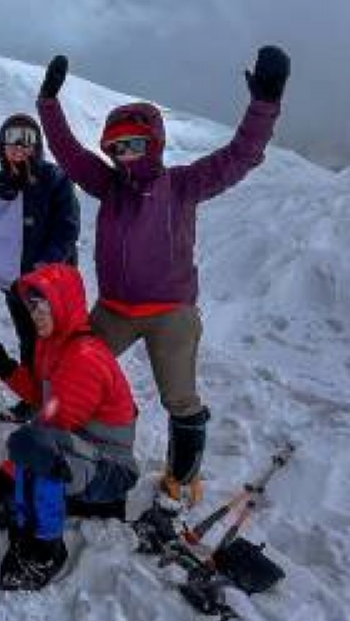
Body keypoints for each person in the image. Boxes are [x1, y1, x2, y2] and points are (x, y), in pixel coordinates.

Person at [35, 46, 290, 507]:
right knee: (68, 368)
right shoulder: (107, 185)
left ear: (153, 143)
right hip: (113, 311)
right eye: (116, 148)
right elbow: (68, 153)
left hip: (171, 314)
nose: (124, 154)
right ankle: (63, 444)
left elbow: (241, 155)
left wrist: (264, 104)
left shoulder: (184, 185)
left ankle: (182, 477)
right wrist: (48, 104)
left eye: (133, 144)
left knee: (180, 399)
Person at [0, 263, 138, 591]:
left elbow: (52, 424)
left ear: (64, 302)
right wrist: (6, 368)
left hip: (110, 468)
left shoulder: (84, 356)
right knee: (31, 449)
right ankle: (24, 527)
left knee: (33, 448)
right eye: (31, 306)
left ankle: (45, 549)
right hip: (79, 451)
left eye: (43, 304)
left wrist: (3, 477)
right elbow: (43, 397)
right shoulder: (54, 344)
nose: (36, 314)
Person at [0, 113, 81, 415]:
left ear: (37, 145)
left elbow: (67, 227)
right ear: (2, 145)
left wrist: (46, 266)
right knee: (29, 340)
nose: (19, 146)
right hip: (15, 283)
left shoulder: (55, 179)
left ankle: (64, 401)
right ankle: (33, 397)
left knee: (56, 342)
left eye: (27, 139)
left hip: (52, 284)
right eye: (12, 138)